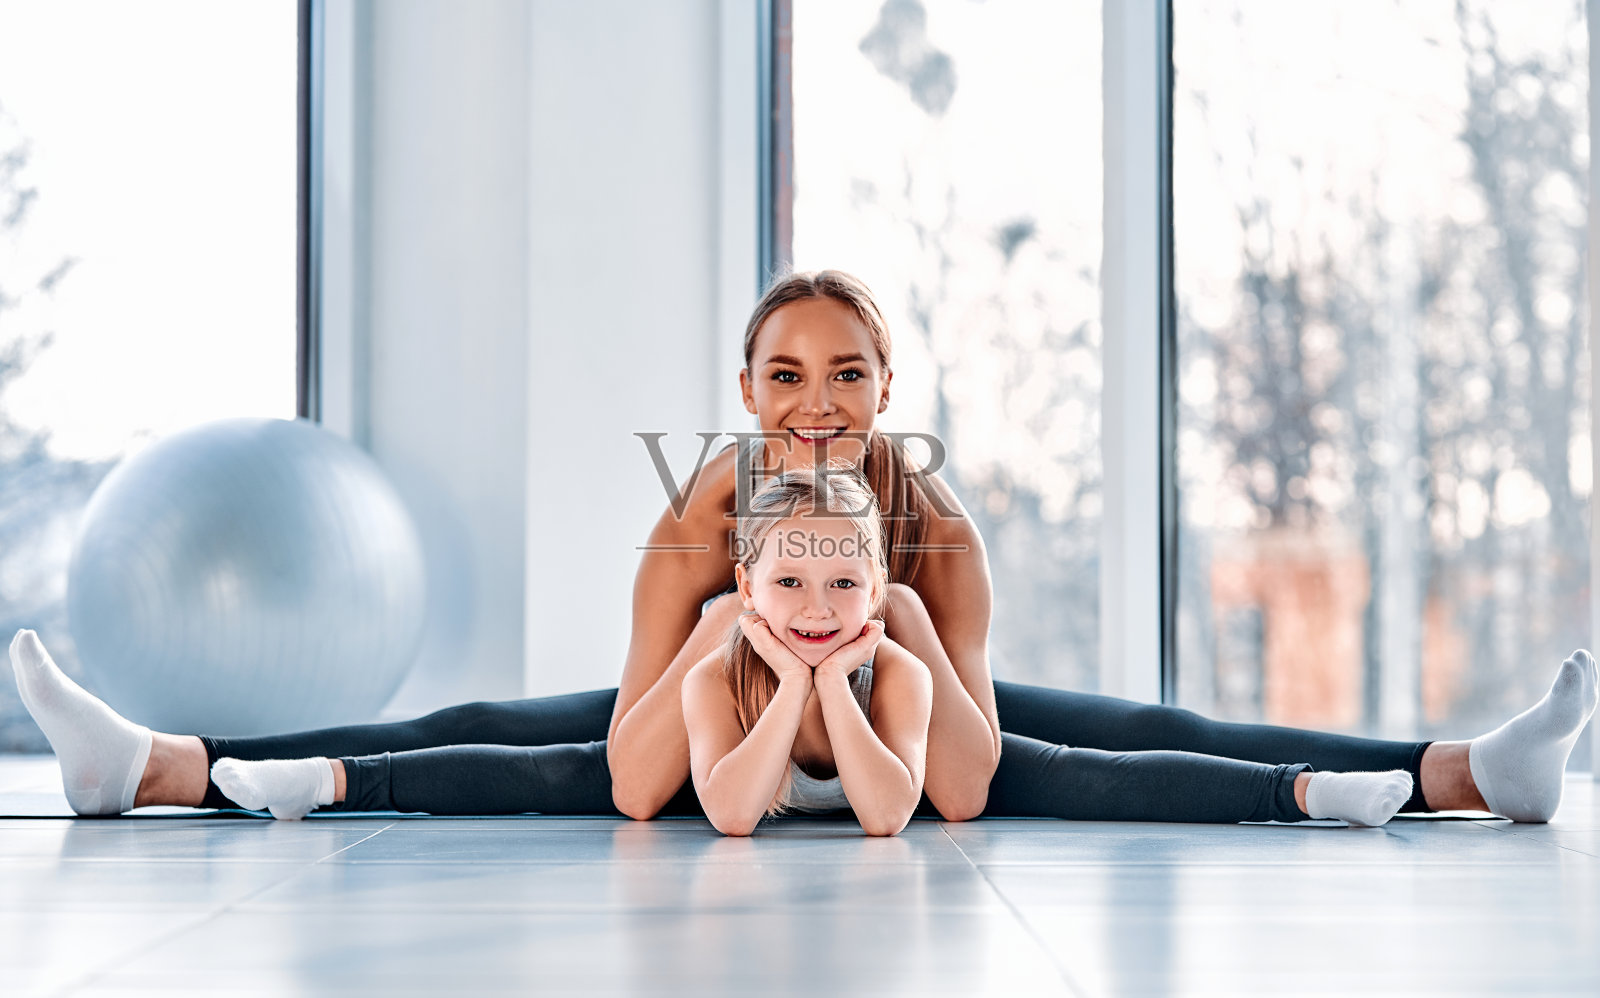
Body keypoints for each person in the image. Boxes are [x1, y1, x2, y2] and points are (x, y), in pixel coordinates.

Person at [7, 270, 1597, 826]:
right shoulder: (698, 522)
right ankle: (155, 764)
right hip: (716, 744)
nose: (817, 403)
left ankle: (1467, 770)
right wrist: (727, 652)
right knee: (497, 737)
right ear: (744, 394)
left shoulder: (939, 529)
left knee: (1127, 737)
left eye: (848, 374)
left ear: (888, 392)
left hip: (907, 732)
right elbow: (638, 775)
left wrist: (885, 628)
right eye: (784, 374)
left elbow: (972, 776)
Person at [682, 463, 931, 837]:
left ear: (875, 590)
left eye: (843, 582)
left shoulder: (903, 675)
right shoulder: (711, 679)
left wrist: (831, 681)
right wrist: (795, 682)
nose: (817, 609)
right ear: (747, 588)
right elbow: (732, 816)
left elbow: (887, 817)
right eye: (789, 581)